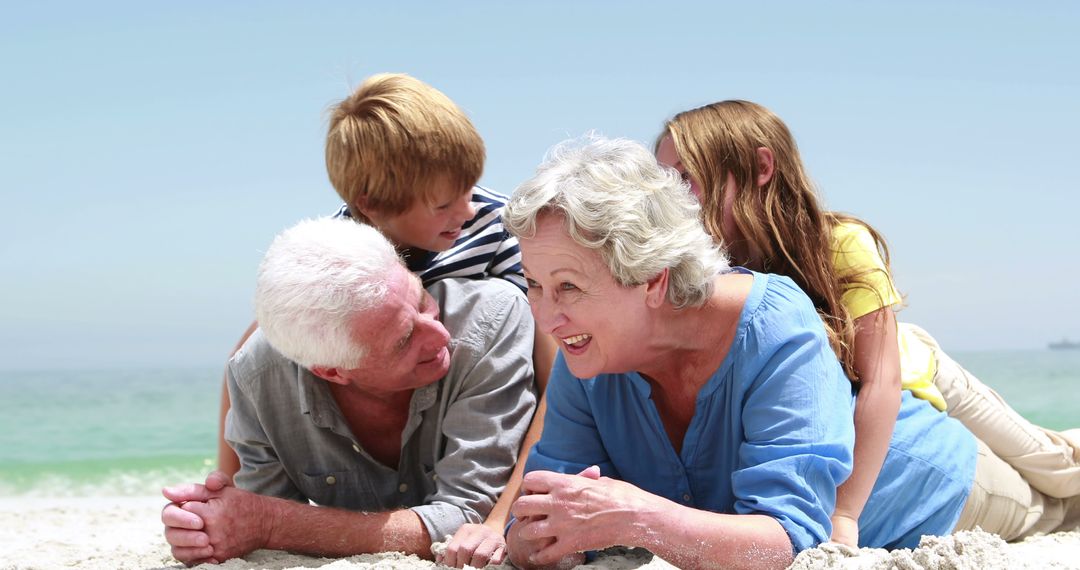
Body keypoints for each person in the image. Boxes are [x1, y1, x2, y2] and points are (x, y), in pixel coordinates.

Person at [500, 136, 1079, 570]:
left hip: (938, 488)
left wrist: (637, 518)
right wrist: (534, 538)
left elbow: (792, 541)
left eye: (569, 287)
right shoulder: (587, 351)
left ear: (654, 278)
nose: (546, 316)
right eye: (533, 284)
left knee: (1061, 500)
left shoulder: (771, 322)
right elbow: (543, 516)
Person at [655, 99, 1080, 547]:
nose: (670, 199)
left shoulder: (837, 244)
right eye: (662, 181)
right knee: (1028, 479)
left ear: (761, 167)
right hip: (892, 382)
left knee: (1056, 466)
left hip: (918, 367)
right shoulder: (711, 269)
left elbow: (882, 382)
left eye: (686, 177)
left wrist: (845, 513)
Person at [213, 73, 557, 567]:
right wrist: (228, 494)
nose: (466, 209)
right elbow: (250, 360)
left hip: (495, 377)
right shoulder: (344, 243)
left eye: (469, 187)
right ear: (370, 209)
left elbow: (556, 377)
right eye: (443, 202)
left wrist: (499, 516)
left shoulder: (496, 227)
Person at [163, 218, 537, 565]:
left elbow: (471, 514)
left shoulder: (490, 322)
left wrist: (271, 523)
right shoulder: (258, 377)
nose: (440, 336)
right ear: (330, 371)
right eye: (404, 340)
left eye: (422, 300)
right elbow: (259, 521)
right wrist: (204, 525)